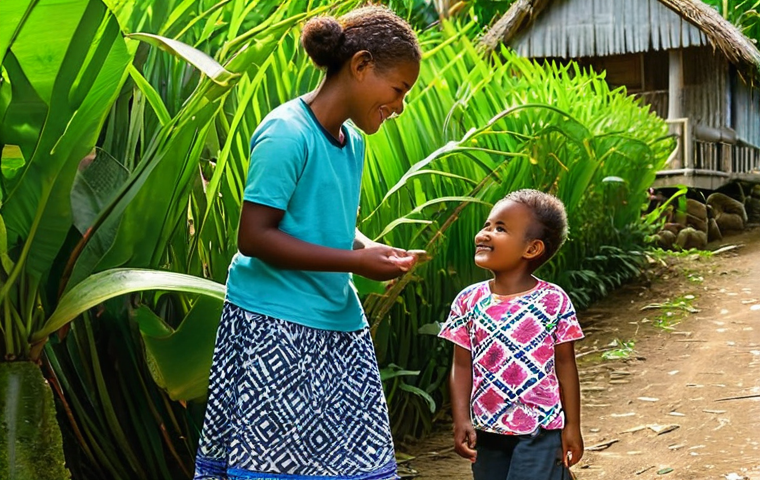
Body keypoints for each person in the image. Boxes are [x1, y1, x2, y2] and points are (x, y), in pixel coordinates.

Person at [193, 6, 422, 480]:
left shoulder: (352, 141)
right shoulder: (286, 132)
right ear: (360, 65)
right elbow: (255, 237)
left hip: (334, 319)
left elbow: (327, 222)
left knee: (355, 462)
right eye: (398, 89)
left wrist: (366, 246)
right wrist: (355, 264)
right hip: (274, 324)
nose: (399, 105)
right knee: (274, 467)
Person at [438, 189, 584, 480]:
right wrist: (461, 418)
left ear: (531, 249)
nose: (485, 234)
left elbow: (566, 365)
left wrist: (572, 426)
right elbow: (462, 365)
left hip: (540, 429)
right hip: (487, 430)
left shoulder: (553, 300)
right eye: (487, 225)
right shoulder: (467, 301)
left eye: (500, 228)